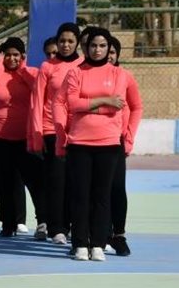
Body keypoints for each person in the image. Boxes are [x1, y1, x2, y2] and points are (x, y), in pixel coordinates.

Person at [57, 27, 142, 262]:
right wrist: (105, 101)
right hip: (79, 143)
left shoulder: (120, 74)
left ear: (109, 48)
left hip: (109, 143)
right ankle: (80, 244)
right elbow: (72, 104)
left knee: (102, 196)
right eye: (93, 45)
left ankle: (98, 244)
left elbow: (128, 106)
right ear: (86, 47)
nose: (97, 50)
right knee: (80, 195)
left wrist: (128, 135)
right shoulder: (75, 73)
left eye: (102, 46)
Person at [0, 37, 39, 237]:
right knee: (2, 182)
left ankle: (34, 220)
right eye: (8, 55)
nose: (12, 58)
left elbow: (40, 89)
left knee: (26, 181)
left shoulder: (29, 74)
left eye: (16, 55)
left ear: (22, 56)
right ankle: (7, 224)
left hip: (22, 137)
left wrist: (23, 69)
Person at [29, 22, 82, 245]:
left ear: (77, 43)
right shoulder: (47, 67)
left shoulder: (83, 65)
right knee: (56, 182)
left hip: (78, 132)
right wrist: (37, 135)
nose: (66, 45)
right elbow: (37, 102)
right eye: (62, 41)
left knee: (75, 182)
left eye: (70, 41)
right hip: (52, 131)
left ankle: (73, 225)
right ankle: (56, 228)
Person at [106, 34, 135, 256]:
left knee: (117, 188)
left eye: (112, 52)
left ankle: (119, 234)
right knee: (96, 191)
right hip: (90, 141)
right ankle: (100, 234)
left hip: (116, 141)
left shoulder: (125, 77)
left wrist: (129, 136)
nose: (108, 55)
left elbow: (136, 107)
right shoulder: (85, 74)